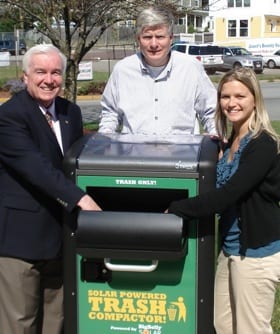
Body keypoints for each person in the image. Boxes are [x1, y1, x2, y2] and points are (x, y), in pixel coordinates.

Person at [166, 67, 280, 334]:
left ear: (255, 99)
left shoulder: (262, 143)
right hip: (230, 250)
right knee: (222, 324)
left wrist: (176, 209)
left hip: (255, 254)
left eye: (240, 96)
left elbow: (228, 195)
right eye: (225, 96)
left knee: (250, 329)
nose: (232, 103)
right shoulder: (230, 143)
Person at [0, 44, 101, 334]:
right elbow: (36, 168)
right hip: (20, 243)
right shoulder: (9, 117)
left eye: (56, 72)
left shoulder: (71, 112)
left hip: (61, 238)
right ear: (25, 76)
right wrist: (81, 199)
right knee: (19, 324)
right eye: (41, 72)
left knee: (55, 323)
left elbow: (75, 163)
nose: (49, 79)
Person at [98, 5, 217, 136]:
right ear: (138, 39)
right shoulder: (122, 70)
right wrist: (106, 138)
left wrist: (214, 135)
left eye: (160, 36)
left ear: (171, 38)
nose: (154, 44)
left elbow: (210, 111)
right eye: (147, 37)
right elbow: (110, 114)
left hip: (182, 153)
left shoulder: (191, 68)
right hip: (134, 153)